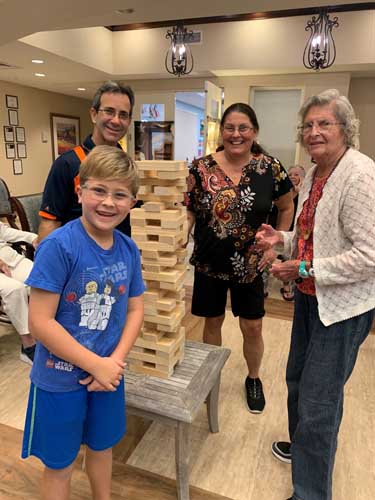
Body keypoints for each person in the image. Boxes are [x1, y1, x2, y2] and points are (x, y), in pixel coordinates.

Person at [256, 89, 375, 500]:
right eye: (308, 125)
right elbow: (312, 238)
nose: (314, 131)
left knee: (319, 402)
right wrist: (282, 239)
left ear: (346, 129)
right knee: (297, 382)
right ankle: (305, 449)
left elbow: (369, 256)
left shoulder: (359, 176)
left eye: (325, 123)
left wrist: (305, 268)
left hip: (341, 309)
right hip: (311, 297)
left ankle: (310, 492)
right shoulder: (315, 174)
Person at [22, 145, 145, 500]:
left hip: (107, 375)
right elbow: (40, 322)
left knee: (102, 447)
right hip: (59, 378)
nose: (108, 202)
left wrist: (113, 364)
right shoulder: (58, 247)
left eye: (120, 194)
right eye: (99, 190)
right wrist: (96, 365)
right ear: (80, 191)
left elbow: (135, 310)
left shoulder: (128, 248)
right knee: (59, 464)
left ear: (133, 202)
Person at [185, 102, 294, 414]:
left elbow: (287, 207)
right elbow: (190, 208)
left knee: (253, 327)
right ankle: (210, 377)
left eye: (243, 128)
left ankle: (254, 377)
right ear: (222, 132)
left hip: (251, 265)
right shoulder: (201, 168)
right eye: (229, 128)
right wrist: (183, 229)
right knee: (212, 321)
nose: (236, 134)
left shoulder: (269, 168)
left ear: (254, 132)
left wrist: (276, 244)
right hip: (209, 262)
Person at [38, 81, 135, 241]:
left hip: (119, 260)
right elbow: (50, 223)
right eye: (109, 111)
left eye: (123, 115)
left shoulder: (129, 167)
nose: (116, 120)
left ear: (129, 121)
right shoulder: (67, 164)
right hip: (78, 261)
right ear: (94, 114)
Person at [0, 221, 37, 364]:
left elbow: (5, 232)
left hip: (11, 260)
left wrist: (33, 237)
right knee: (14, 289)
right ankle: (29, 345)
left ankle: (47, 333)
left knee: (43, 279)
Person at [279, 164, 306, 301]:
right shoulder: (284, 191)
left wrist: (300, 191)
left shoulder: (307, 191)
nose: (293, 177)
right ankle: (286, 287)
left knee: (299, 260)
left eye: (297, 174)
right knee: (285, 259)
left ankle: (299, 286)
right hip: (286, 231)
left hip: (301, 232)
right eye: (290, 175)